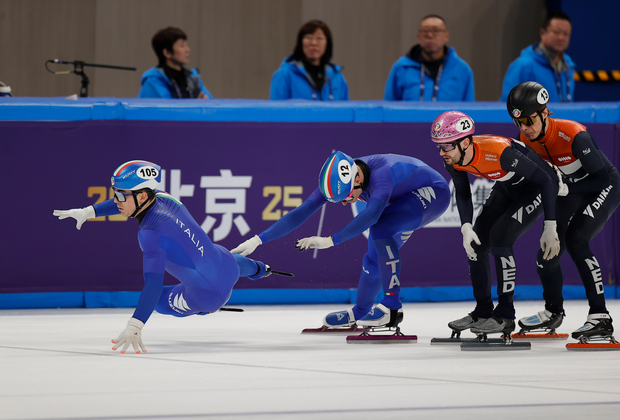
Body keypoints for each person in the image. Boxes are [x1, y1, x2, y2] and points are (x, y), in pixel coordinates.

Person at [53, 160, 275, 354]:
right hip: (228, 263)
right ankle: (260, 269)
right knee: (228, 261)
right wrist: (89, 211)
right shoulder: (164, 197)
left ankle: (205, 310)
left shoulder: (150, 234)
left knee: (159, 302)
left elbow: (153, 285)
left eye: (120, 195)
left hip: (207, 297)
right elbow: (127, 201)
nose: (116, 200)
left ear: (142, 195)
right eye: (115, 194)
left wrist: (135, 325)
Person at [232, 151, 450, 329]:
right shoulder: (337, 180)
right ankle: (360, 312)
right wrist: (257, 240)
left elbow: (372, 215)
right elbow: (300, 213)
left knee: (380, 228)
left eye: (346, 197)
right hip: (402, 199)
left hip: (433, 192)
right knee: (374, 260)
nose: (345, 203)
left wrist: (330, 241)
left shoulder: (382, 175)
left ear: (358, 178)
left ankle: (393, 308)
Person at [430, 111, 561, 336]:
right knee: (476, 245)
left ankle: (505, 315)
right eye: (438, 146)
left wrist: (550, 226)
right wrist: (466, 227)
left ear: (465, 142)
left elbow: (545, 179)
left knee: (500, 238)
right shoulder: (453, 159)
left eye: (446, 146)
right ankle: (483, 311)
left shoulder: (500, 152)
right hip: (506, 186)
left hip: (535, 187)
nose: (442, 153)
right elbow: (462, 192)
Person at [506, 81, 620, 341]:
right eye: (519, 123)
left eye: (529, 121)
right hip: (570, 188)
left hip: (602, 186)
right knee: (547, 253)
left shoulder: (574, 134)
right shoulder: (526, 138)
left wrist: (567, 185)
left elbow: (602, 180)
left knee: (576, 240)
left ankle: (600, 316)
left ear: (545, 113)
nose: (524, 129)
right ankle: (553, 310)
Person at [384, 14, 474, 102]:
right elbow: (388, 107)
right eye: (425, 31)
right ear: (418, 37)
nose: (430, 35)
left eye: (436, 30)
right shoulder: (402, 67)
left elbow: (469, 110)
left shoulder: (462, 69)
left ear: (446, 36)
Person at [500, 12, 574, 103]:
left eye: (566, 34)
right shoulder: (523, 66)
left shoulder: (568, 65)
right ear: (542, 33)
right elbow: (508, 104)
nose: (561, 38)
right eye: (556, 32)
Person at [270, 20, 349, 101]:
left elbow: (346, 111)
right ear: (300, 42)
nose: (314, 43)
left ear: (327, 43)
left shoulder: (337, 78)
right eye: (309, 37)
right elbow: (276, 111)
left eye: (319, 38)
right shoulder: (285, 75)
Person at [139, 27, 213, 99]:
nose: (188, 50)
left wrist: (204, 102)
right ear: (167, 53)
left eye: (186, 45)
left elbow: (210, 102)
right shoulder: (153, 81)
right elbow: (164, 109)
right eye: (182, 46)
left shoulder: (192, 77)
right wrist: (194, 107)